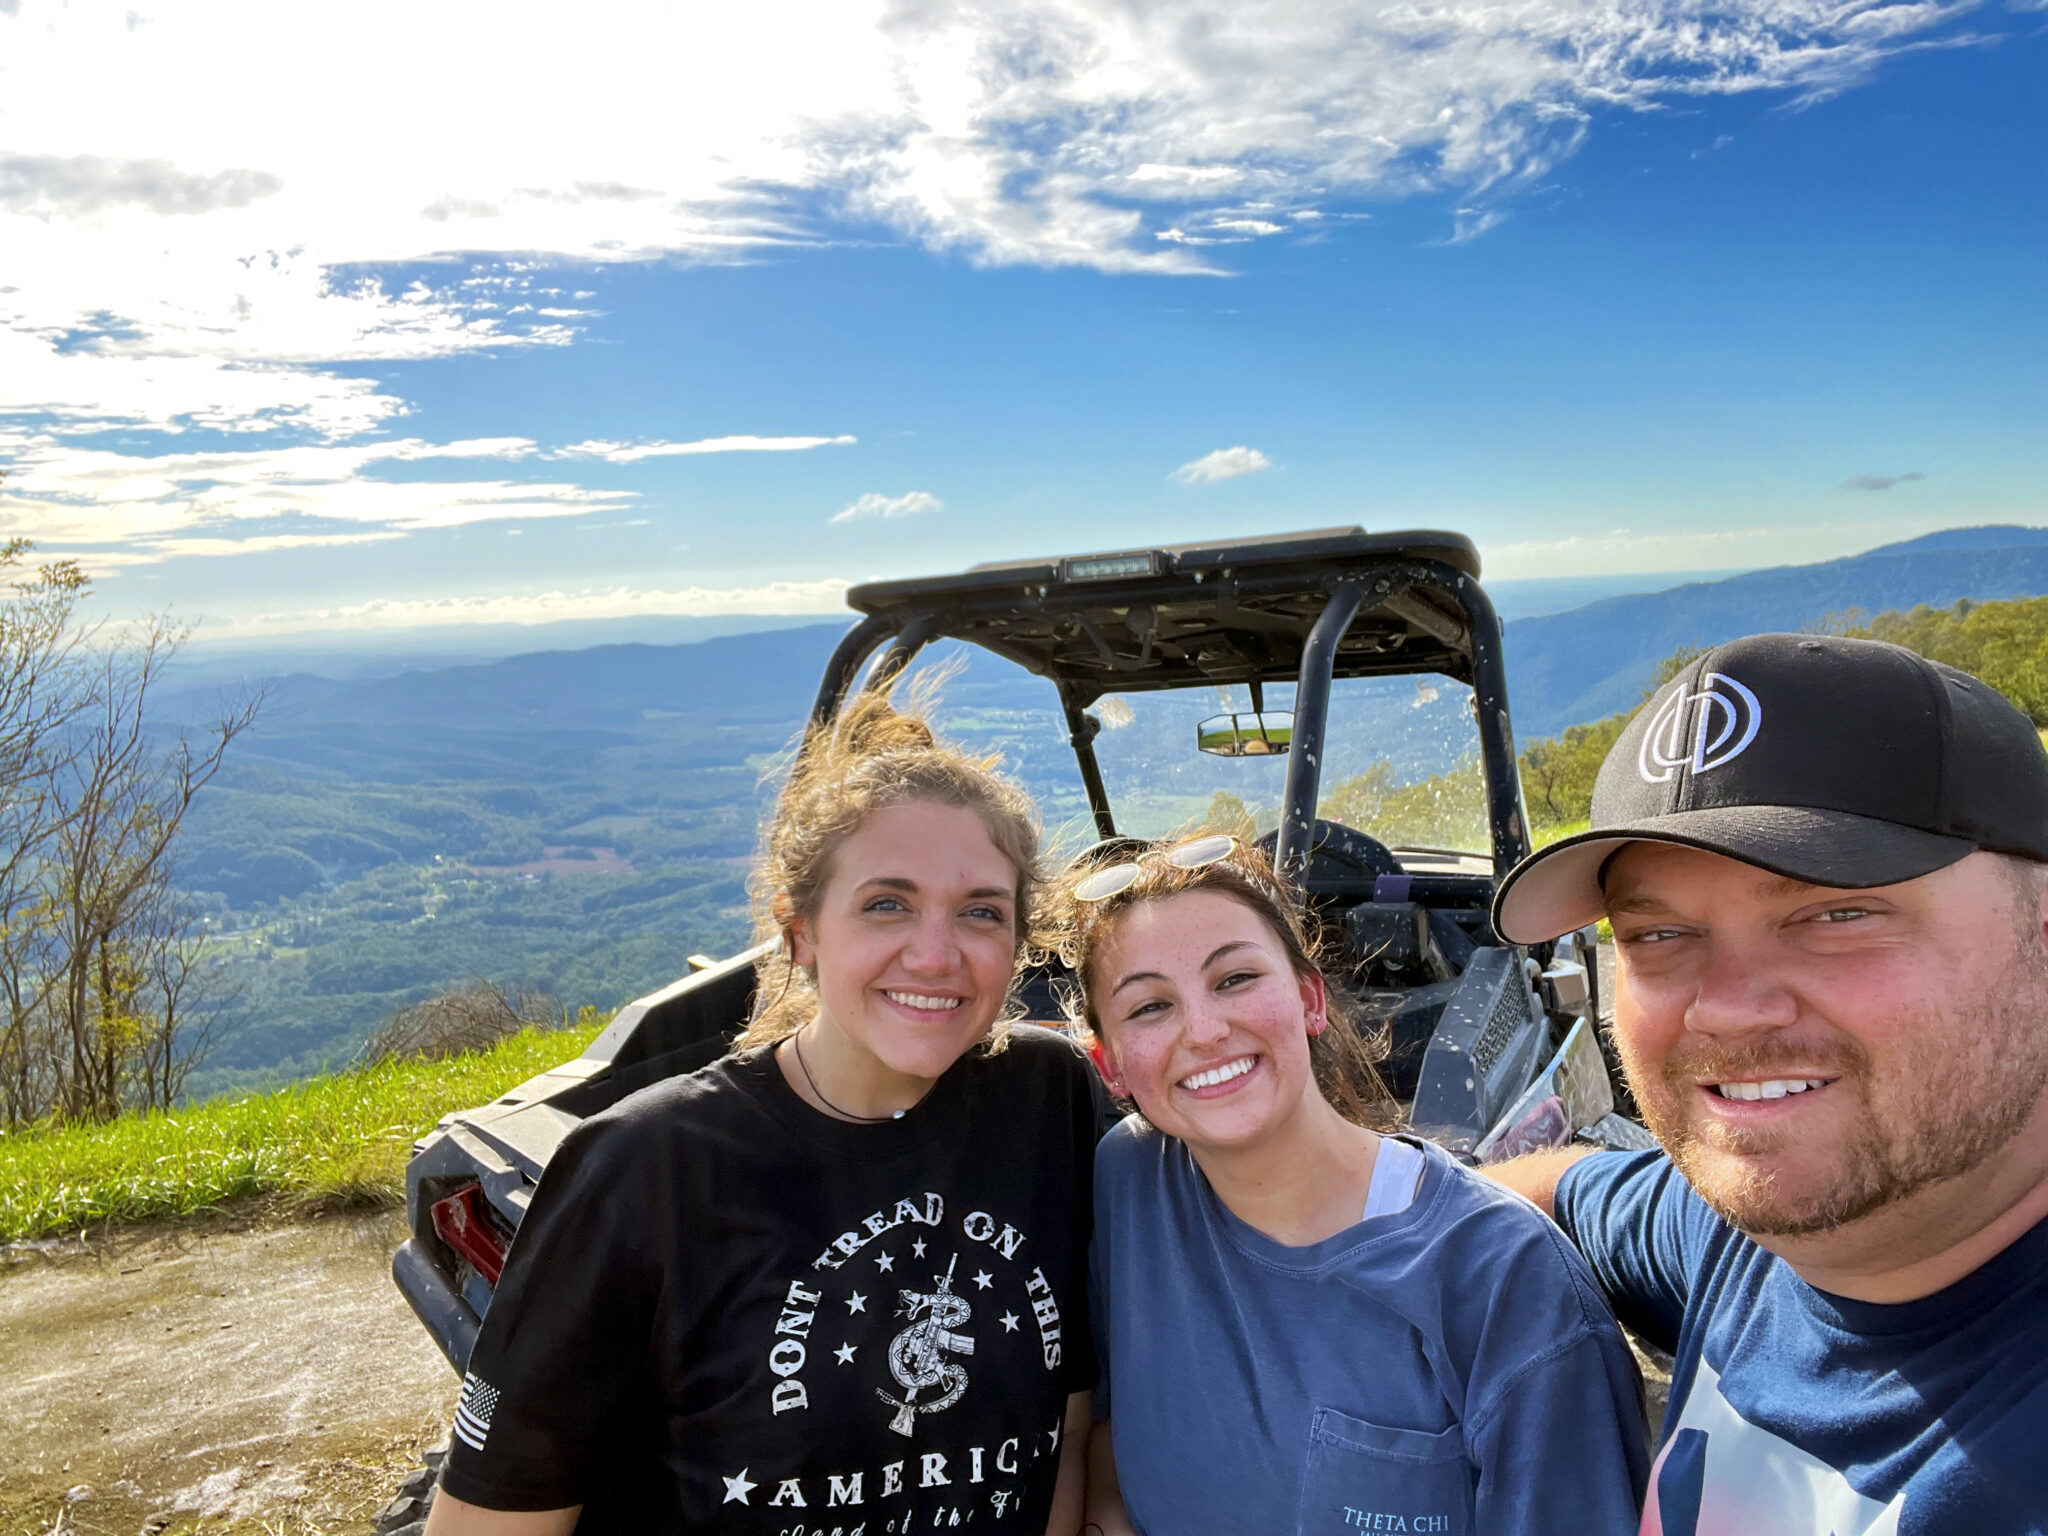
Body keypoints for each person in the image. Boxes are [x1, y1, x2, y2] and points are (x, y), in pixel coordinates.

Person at [425, 686, 1104, 1535]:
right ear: (799, 934)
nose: (936, 955)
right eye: (886, 903)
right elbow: (491, 1520)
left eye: (980, 913)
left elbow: (1064, 1429)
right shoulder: (648, 1166)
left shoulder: (1046, 1099)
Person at [1485, 632, 2048, 1534]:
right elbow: (1544, 1193)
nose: (1728, 1011)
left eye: (1838, 913)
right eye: (1657, 935)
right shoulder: (1739, 1240)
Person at [1055, 834, 1650, 1536]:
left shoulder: (1506, 1289)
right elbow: (1106, 1452)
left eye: (1236, 979)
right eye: (1149, 1007)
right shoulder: (1131, 1183)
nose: (1206, 1030)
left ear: (1310, 999)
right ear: (1112, 1067)